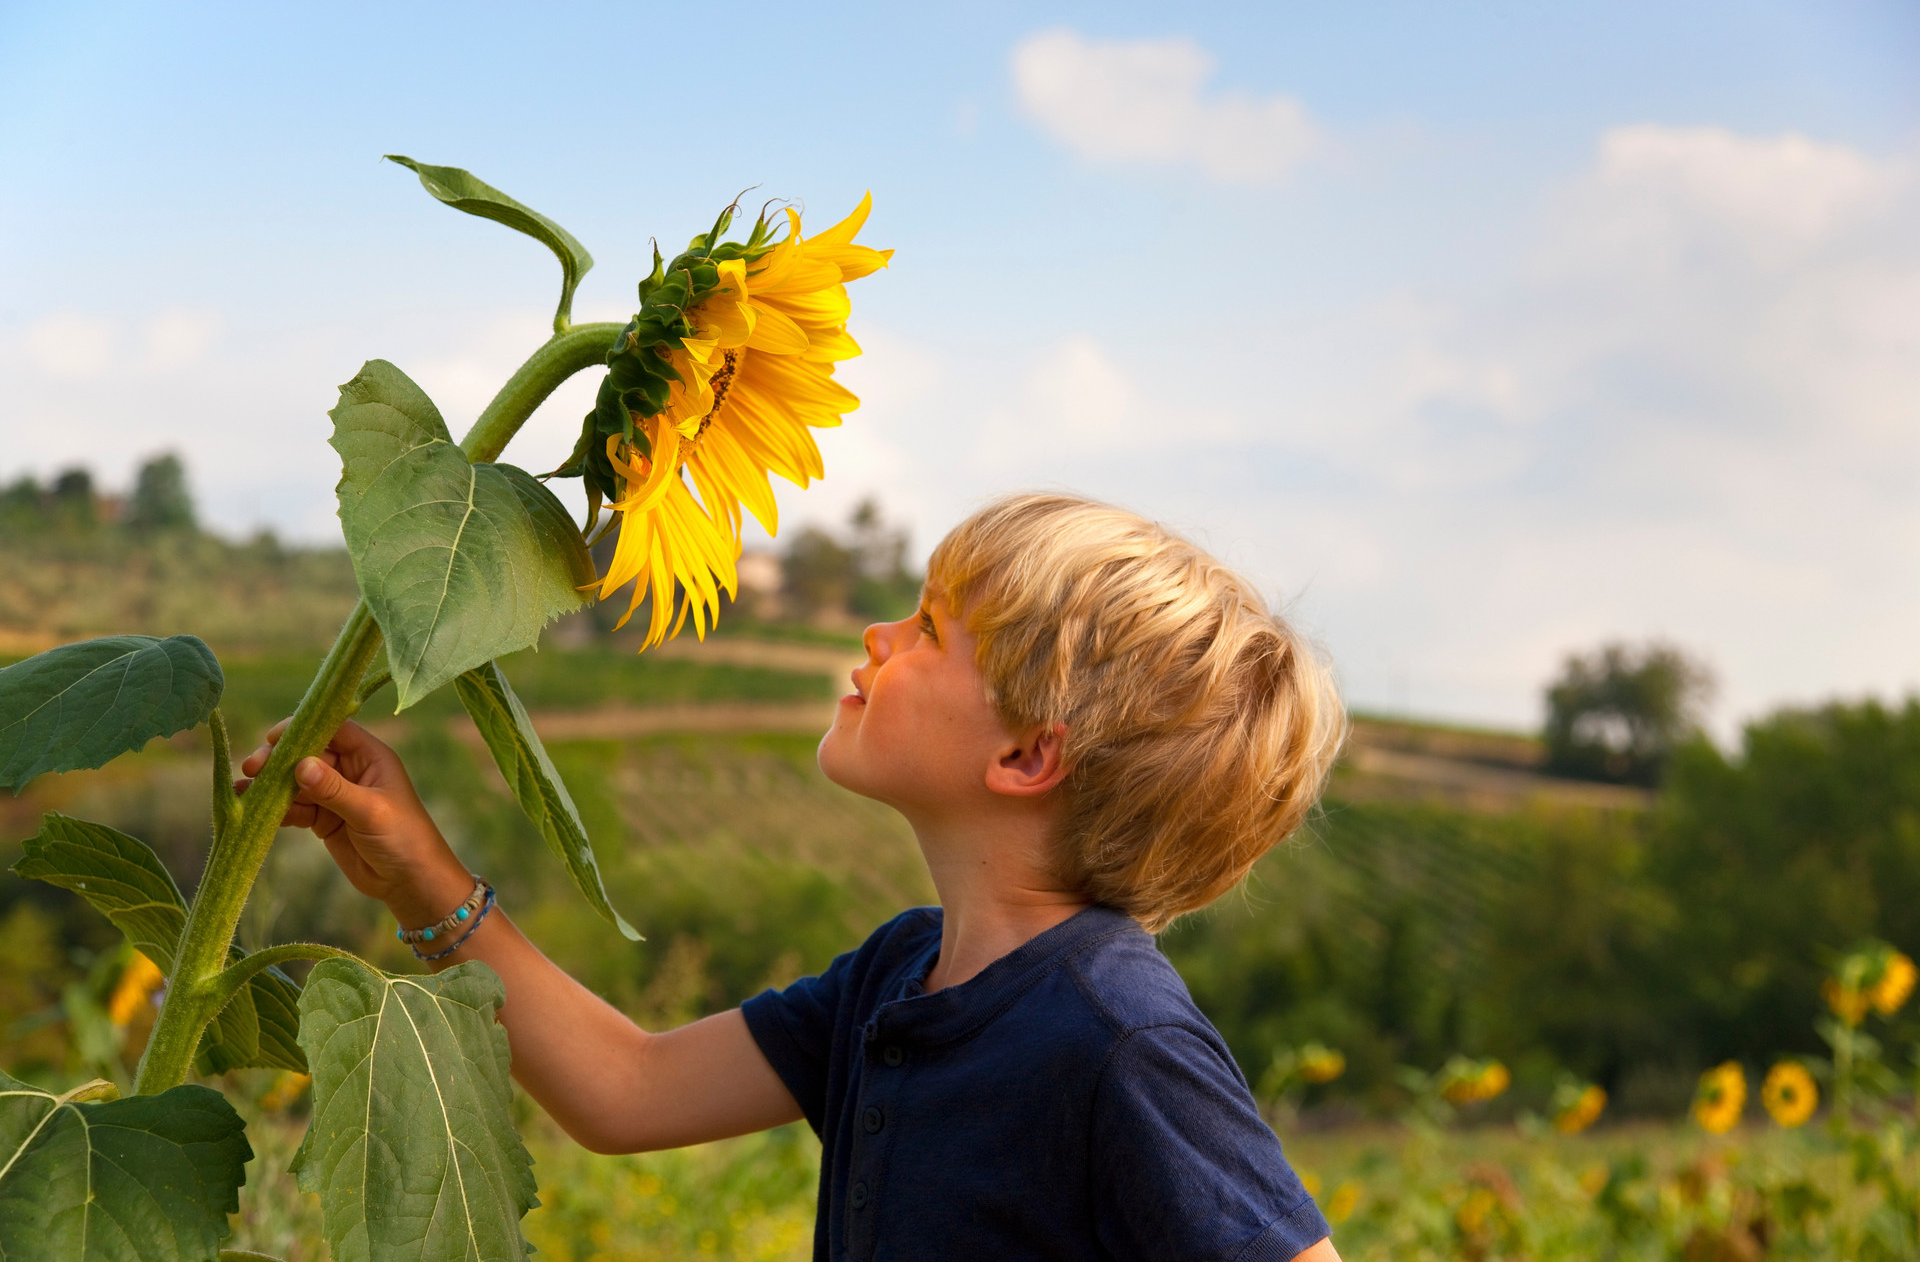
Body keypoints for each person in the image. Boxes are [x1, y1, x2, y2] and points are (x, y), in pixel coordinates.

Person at [241, 493, 1348, 1261]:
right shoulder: (899, 976)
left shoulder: (1120, 1037)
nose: (875, 633)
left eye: (927, 628)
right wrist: (416, 872)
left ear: (1024, 756)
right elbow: (626, 1089)